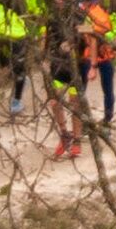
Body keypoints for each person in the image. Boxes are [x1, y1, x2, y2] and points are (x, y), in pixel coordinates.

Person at [42, 10, 86, 160]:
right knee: (55, 101)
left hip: (76, 69)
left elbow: (91, 32)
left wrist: (73, 40)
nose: (60, 1)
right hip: (58, 68)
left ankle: (77, 140)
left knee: (75, 104)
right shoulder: (52, 19)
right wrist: (43, 57)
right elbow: (46, 39)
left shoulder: (78, 15)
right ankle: (64, 134)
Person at [76, 0, 116, 129]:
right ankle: (83, 121)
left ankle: (107, 120)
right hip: (87, 55)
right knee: (82, 90)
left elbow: (101, 31)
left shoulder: (98, 14)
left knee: (107, 89)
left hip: (103, 56)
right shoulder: (82, 13)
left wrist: (81, 28)